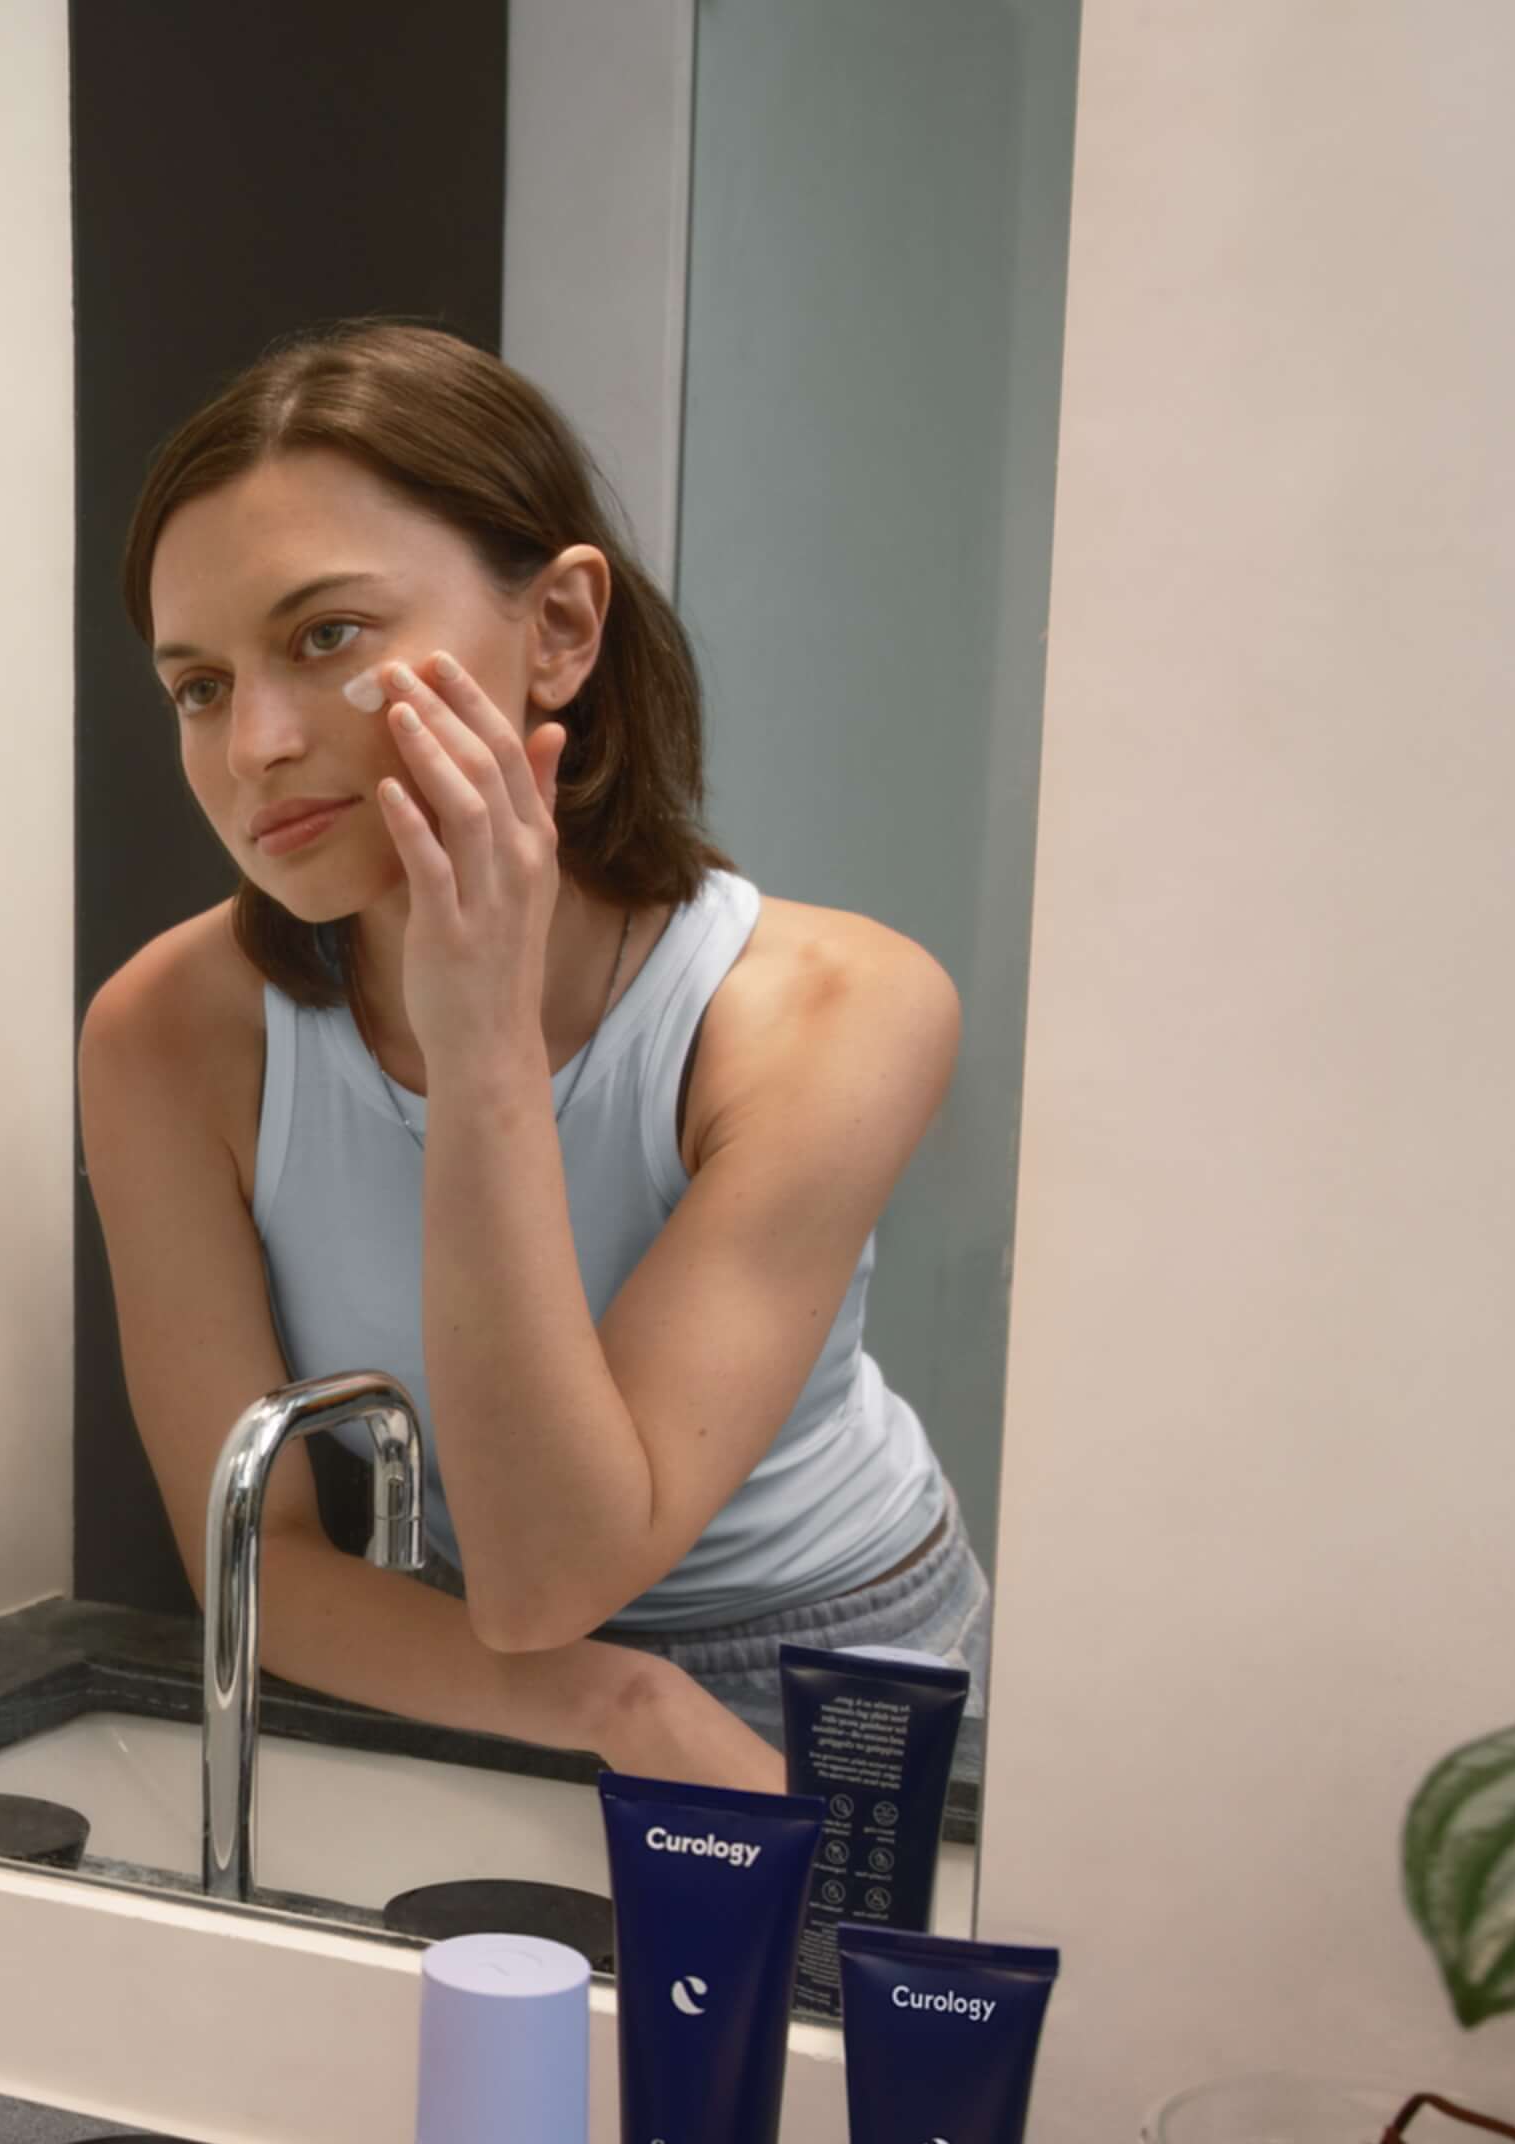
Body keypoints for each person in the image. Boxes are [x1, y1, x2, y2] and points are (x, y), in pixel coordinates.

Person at [80, 322, 989, 1795]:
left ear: (561, 628)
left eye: (326, 637)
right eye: (198, 684)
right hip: (489, 1670)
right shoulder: (166, 1038)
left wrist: (480, 1039)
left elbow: (556, 1565)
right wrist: (606, 1705)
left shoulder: (838, 1009)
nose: (253, 742)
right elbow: (261, 1565)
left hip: (842, 1667)